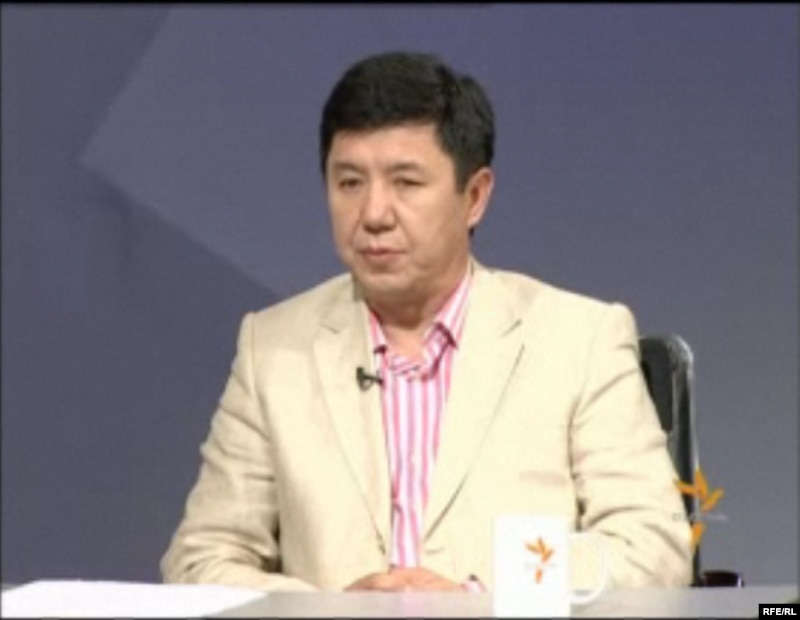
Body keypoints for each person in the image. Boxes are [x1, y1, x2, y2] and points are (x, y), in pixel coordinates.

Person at [160, 50, 693, 592]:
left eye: (406, 183)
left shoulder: (579, 340)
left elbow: (652, 548)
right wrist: (334, 611)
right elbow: (200, 561)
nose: (373, 214)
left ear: (475, 197)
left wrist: (480, 599)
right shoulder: (271, 348)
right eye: (349, 183)